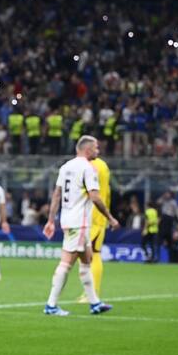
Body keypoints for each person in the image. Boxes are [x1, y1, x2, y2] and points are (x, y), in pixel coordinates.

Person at [42, 135, 119, 316]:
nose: (98, 152)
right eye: (96, 148)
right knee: (66, 262)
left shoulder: (65, 167)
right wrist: (110, 217)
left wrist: (51, 220)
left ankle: (95, 303)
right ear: (87, 149)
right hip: (80, 222)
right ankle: (51, 305)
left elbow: (56, 195)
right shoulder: (88, 168)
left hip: (69, 219)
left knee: (87, 260)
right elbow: (95, 196)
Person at [77, 153, 111, 302]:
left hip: (92, 216)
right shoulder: (103, 165)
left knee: (92, 254)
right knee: (87, 255)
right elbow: (107, 193)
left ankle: (93, 294)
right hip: (97, 216)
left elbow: (87, 192)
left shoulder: (90, 166)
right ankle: (90, 293)